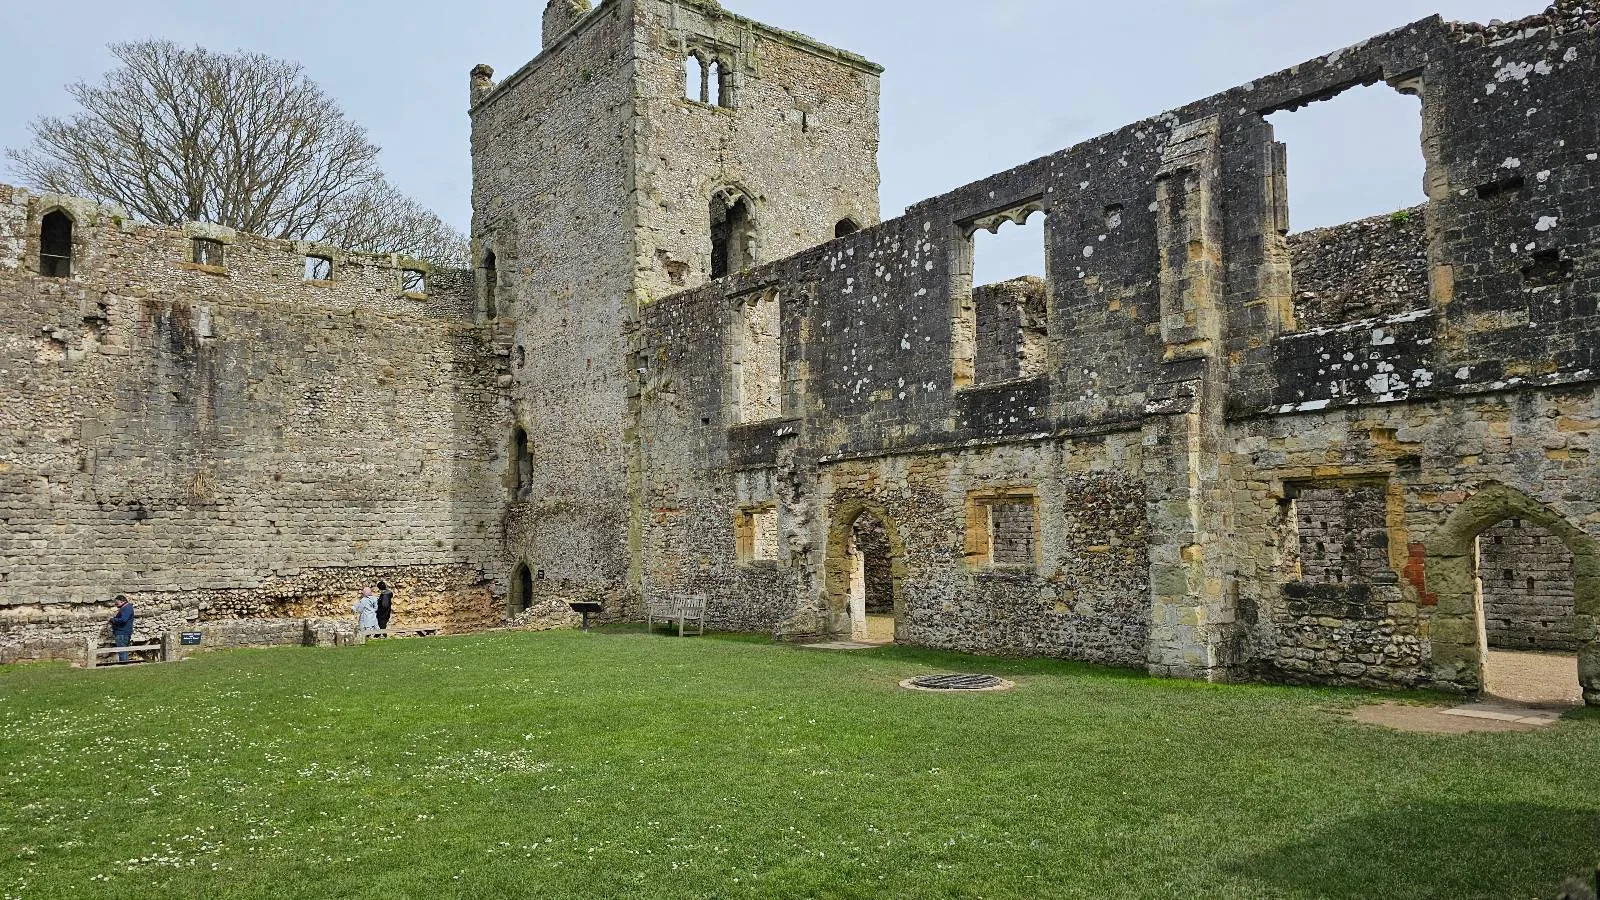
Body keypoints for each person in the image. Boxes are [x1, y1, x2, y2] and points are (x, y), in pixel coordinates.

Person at [108, 595, 134, 663]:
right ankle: (124, 666)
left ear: (122, 601)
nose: (116, 605)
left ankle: (124, 667)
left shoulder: (127, 608)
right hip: (122, 633)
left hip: (122, 633)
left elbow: (123, 619)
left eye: (117, 603)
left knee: (122, 651)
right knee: (123, 651)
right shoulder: (126, 608)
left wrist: (112, 620)